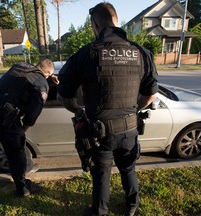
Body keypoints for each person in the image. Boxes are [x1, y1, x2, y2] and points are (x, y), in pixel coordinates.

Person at [57, 2, 158, 216]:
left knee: (102, 174)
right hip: (130, 129)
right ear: (116, 21)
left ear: (95, 25)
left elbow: (64, 96)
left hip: (100, 133)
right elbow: (151, 94)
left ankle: (99, 211)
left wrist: (78, 111)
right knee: (128, 168)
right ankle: (132, 206)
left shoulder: (86, 54)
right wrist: (134, 110)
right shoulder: (142, 53)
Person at [0, 59, 58, 197]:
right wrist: (23, 130)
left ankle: (20, 178)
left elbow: (24, 85)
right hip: (3, 117)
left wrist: (48, 82)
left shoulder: (20, 66)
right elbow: (32, 114)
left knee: (11, 146)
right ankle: (22, 188)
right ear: (47, 74)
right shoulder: (41, 84)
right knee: (17, 152)